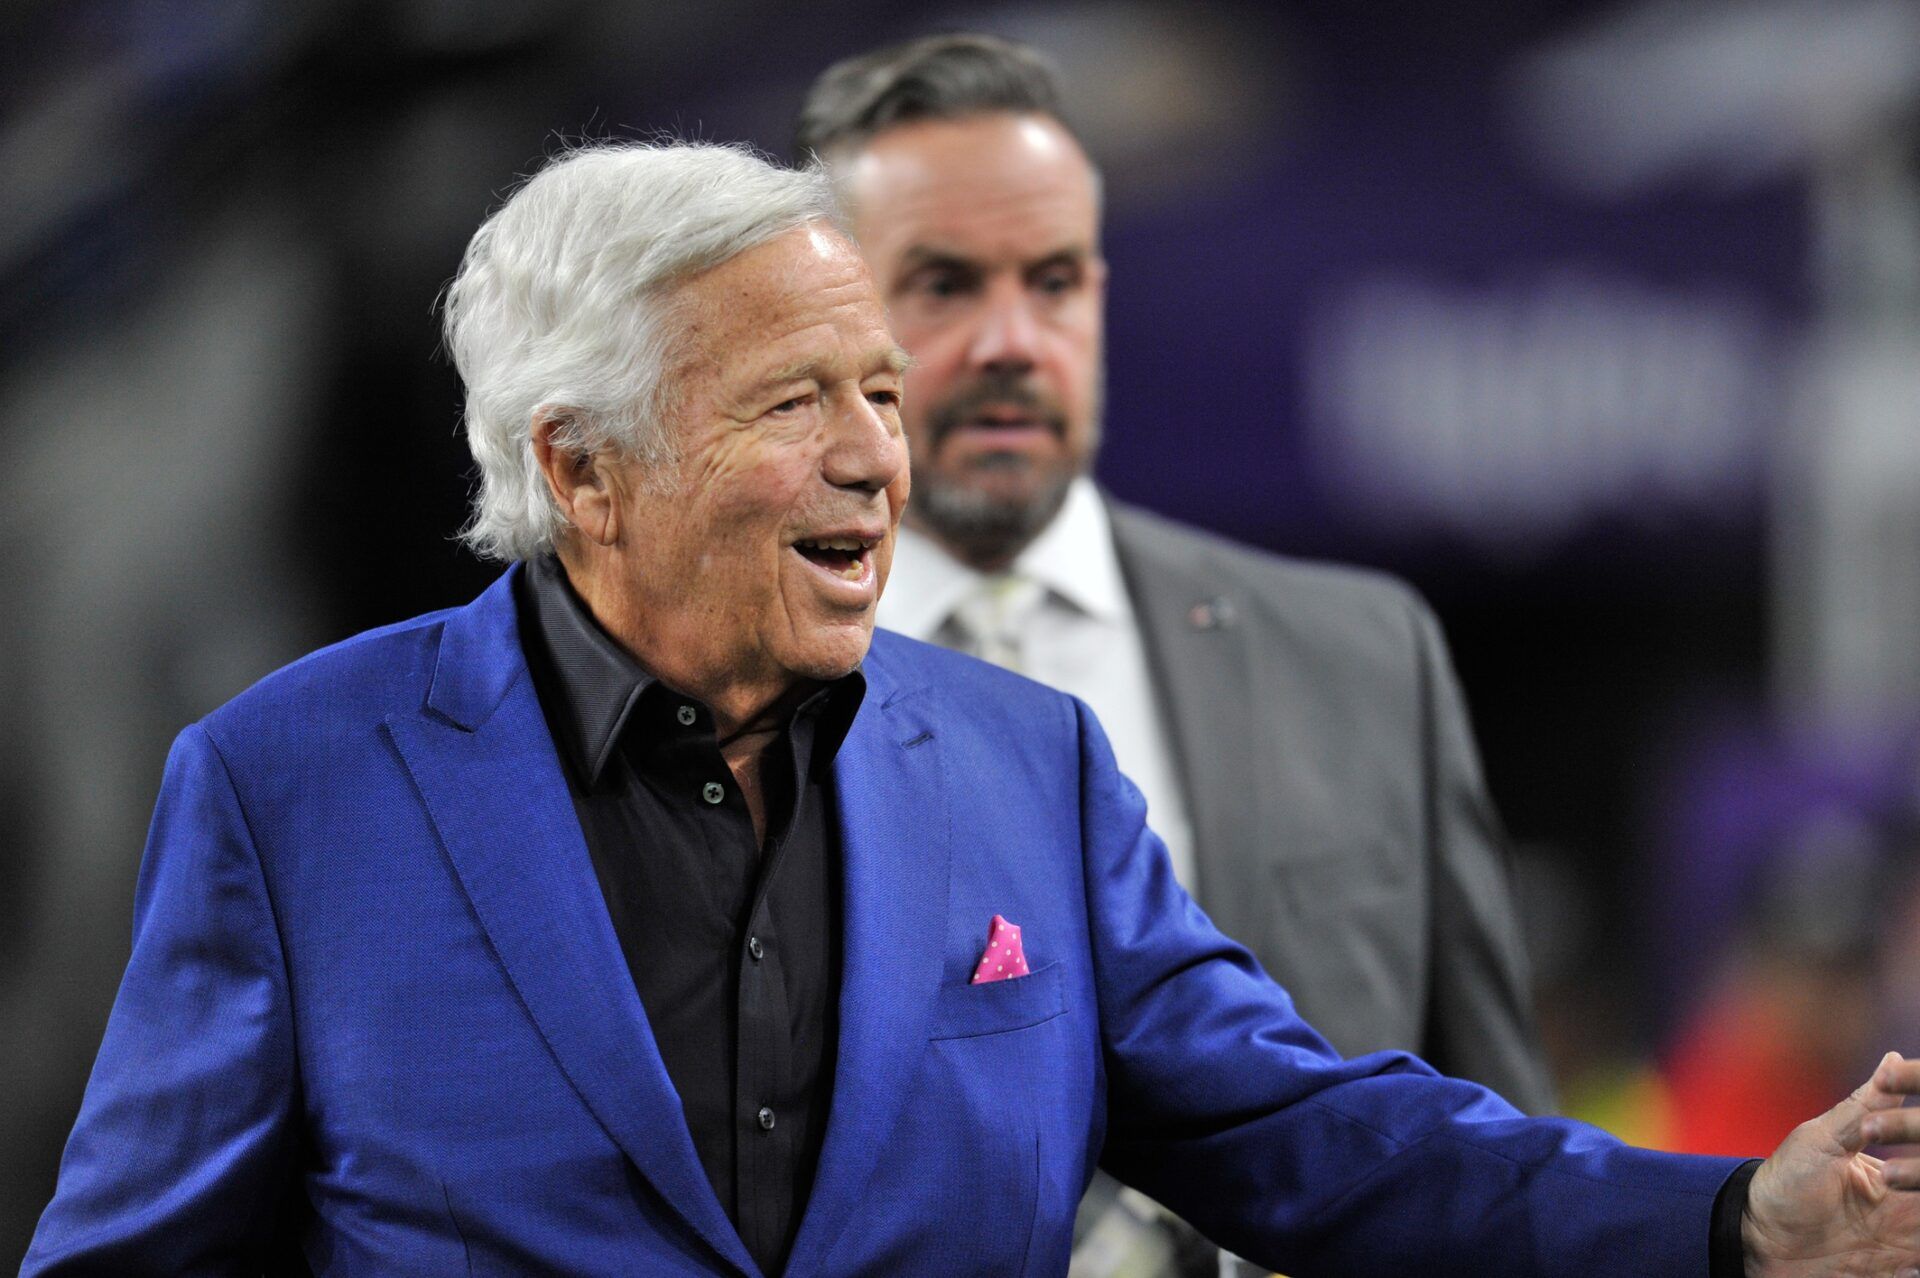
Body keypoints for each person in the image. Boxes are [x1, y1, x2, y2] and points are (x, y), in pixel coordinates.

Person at [21, 141, 1920, 1278]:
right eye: (794, 406)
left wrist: (1732, 1217)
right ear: (579, 468)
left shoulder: (1025, 766)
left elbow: (1331, 1135)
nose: (878, 461)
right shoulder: (292, 788)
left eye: (882, 394)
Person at [792, 35, 1551, 1271]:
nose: (1010, 340)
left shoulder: (1360, 655)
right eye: (939, 285)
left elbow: (1494, 1120)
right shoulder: (739, 675)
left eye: (1053, 281)